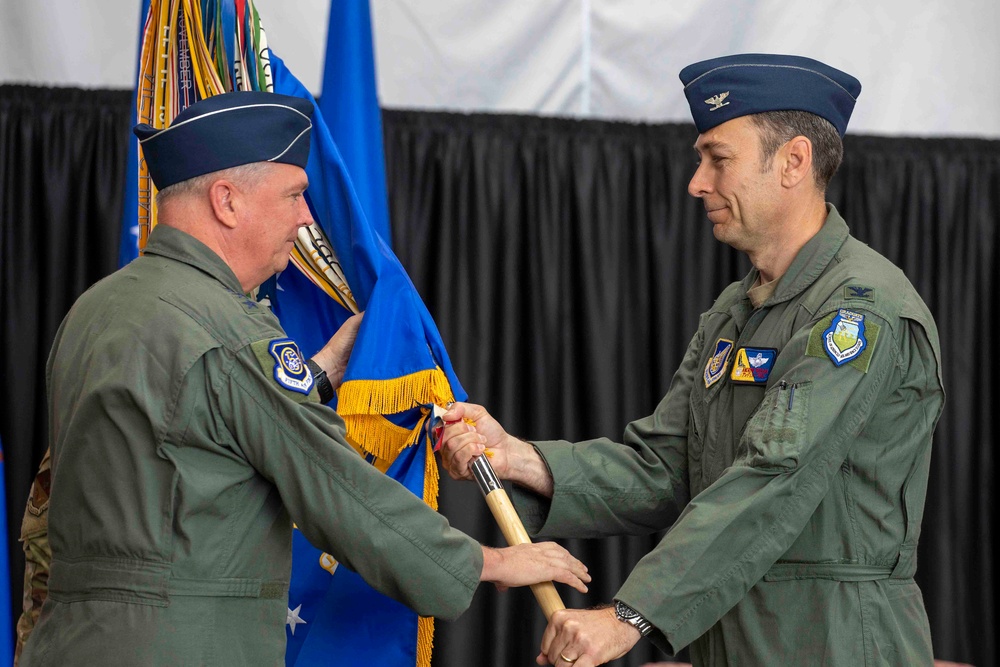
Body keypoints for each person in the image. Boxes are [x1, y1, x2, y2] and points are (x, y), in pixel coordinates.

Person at [19, 91, 590, 666]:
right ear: (227, 201)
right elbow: (337, 490)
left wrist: (315, 372)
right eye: (294, 193)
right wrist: (488, 563)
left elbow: (183, 440)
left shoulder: (92, 311)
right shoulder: (234, 332)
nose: (307, 216)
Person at [439, 53, 945, 667]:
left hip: (831, 640)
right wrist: (518, 459)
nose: (696, 182)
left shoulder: (860, 311)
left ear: (794, 162)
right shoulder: (736, 310)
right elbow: (666, 469)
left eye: (718, 158)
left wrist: (629, 617)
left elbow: (772, 479)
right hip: (726, 635)